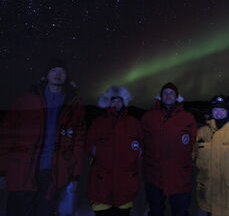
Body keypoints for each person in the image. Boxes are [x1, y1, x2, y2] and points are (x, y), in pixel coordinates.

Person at [1, 59, 86, 216]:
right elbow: (7, 135)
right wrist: (2, 170)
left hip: (53, 170)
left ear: (67, 76)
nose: (58, 74)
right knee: (18, 210)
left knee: (45, 210)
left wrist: (75, 174)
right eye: (54, 70)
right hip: (23, 167)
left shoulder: (74, 104)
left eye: (62, 71)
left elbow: (78, 141)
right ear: (46, 74)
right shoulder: (26, 100)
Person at [141, 82, 197, 216]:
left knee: (180, 211)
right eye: (165, 93)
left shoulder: (187, 118)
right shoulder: (149, 117)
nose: (168, 96)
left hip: (180, 175)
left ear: (176, 97)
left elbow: (194, 143)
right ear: (160, 96)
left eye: (171, 93)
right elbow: (140, 139)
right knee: (156, 210)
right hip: (155, 175)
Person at [86, 85, 142, 216]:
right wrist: (95, 152)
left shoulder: (133, 123)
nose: (116, 104)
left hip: (126, 181)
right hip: (102, 182)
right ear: (108, 102)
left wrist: (136, 154)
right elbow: (87, 145)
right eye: (113, 100)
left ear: (124, 102)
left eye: (119, 100)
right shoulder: (98, 123)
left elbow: (141, 144)